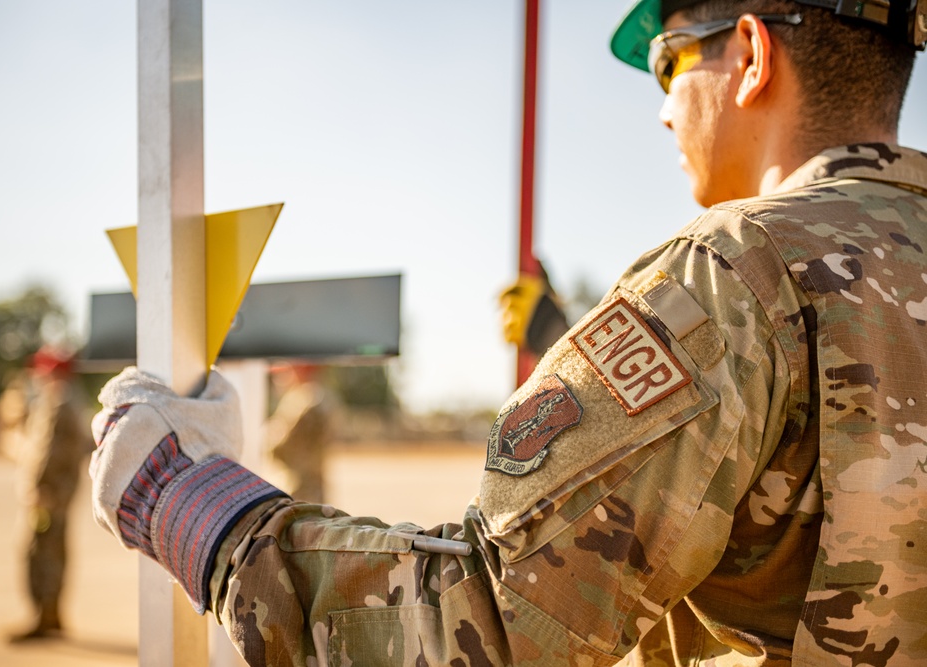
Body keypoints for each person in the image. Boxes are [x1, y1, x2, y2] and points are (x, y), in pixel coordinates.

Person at [88, 1, 927, 664]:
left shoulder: (734, 270)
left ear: (748, 55)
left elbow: (483, 624)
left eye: (667, 59)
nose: (664, 110)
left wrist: (187, 499)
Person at [1, 346, 93, 642]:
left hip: (47, 494)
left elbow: (46, 451)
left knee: (39, 551)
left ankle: (43, 616)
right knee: (54, 550)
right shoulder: (71, 399)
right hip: (60, 493)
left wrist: (37, 487)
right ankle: (51, 614)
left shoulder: (57, 400)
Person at [265, 361, 336, 503]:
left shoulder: (301, 400)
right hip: (314, 485)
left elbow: (277, 445)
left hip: (297, 487)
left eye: (286, 372)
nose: (280, 380)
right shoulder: (324, 397)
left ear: (300, 370)